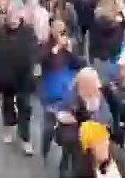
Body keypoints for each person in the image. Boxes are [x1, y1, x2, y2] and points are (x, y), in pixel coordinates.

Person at [0, 9, 38, 152]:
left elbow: (34, 50)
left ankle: (25, 137)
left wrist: (35, 65)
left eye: (16, 18)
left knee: (25, 106)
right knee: (8, 103)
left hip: (24, 76)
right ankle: (9, 127)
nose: (14, 21)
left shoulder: (28, 32)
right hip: (6, 76)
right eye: (11, 18)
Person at [40, 19, 86, 160]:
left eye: (63, 29)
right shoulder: (46, 46)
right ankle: (45, 149)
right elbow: (42, 61)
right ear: (52, 30)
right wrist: (55, 49)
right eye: (58, 29)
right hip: (50, 92)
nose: (61, 33)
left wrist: (70, 51)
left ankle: (65, 159)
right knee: (49, 125)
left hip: (65, 93)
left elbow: (78, 64)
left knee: (68, 127)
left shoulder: (67, 49)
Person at [56, 67, 113, 176]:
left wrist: (98, 125)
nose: (95, 90)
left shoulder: (99, 98)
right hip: (75, 145)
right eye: (90, 87)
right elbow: (62, 119)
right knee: (70, 167)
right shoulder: (70, 99)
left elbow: (107, 117)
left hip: (93, 146)